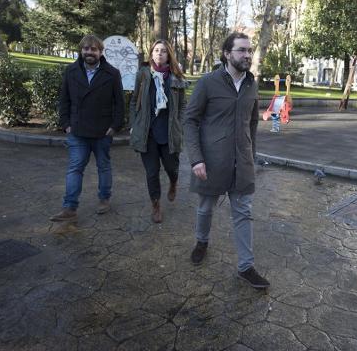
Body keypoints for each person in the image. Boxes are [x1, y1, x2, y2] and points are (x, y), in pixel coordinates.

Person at [183, 32, 270, 289]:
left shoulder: (252, 85)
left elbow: (252, 122)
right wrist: (196, 159)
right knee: (206, 208)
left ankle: (246, 267)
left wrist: (250, 154)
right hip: (210, 161)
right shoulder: (208, 83)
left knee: (243, 212)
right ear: (227, 54)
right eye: (242, 50)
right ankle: (201, 241)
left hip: (241, 162)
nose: (247, 55)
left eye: (249, 50)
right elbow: (190, 120)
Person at [51, 34, 124, 223]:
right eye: (86, 49)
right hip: (77, 130)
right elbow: (64, 100)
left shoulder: (112, 73)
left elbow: (119, 104)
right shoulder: (71, 71)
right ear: (81, 51)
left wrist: (114, 127)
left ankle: (104, 199)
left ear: (100, 52)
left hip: (102, 131)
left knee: (103, 167)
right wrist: (66, 124)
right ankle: (69, 207)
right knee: (75, 168)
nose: (89, 52)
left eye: (93, 49)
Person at [129, 40, 187, 223]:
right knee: (152, 172)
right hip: (148, 133)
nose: (159, 54)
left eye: (163, 51)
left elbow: (183, 105)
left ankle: (173, 182)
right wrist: (133, 123)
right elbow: (133, 102)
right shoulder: (143, 74)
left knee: (172, 168)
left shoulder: (176, 77)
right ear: (151, 54)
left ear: (168, 55)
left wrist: (180, 123)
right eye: (156, 50)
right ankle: (156, 205)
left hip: (169, 133)